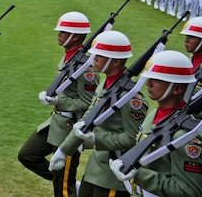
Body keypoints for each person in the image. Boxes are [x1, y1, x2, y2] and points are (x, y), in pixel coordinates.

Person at [50, 30, 148, 197]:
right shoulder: (106, 84)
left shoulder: (131, 98)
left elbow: (132, 139)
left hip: (113, 175)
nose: (93, 59)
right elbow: (87, 119)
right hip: (95, 170)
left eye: (99, 56)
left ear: (115, 61)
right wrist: (64, 150)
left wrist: (97, 139)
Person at [18, 12, 98, 197]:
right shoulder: (69, 58)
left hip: (69, 128)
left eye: (63, 31)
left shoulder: (86, 67)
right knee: (27, 155)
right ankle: (69, 182)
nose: (59, 35)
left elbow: (88, 103)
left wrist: (57, 101)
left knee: (62, 191)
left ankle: (67, 184)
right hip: (55, 122)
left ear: (75, 36)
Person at [109, 50, 202, 196]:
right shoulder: (152, 116)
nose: (148, 84)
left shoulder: (185, 136)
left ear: (177, 88)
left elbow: (189, 192)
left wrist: (139, 174)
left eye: (156, 80)